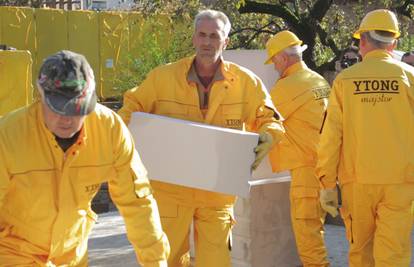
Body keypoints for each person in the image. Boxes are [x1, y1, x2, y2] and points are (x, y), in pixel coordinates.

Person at [118, 9, 285, 267]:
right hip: (171, 191)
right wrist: (125, 142)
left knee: (215, 262)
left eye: (214, 36)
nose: (207, 42)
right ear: (194, 38)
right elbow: (131, 107)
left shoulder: (245, 82)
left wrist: (268, 136)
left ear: (226, 41)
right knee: (164, 258)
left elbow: (270, 119)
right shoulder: (163, 78)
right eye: (202, 35)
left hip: (217, 192)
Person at [0, 50, 170, 266]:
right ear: (40, 95)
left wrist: (156, 262)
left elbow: (138, 202)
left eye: (77, 109)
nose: (67, 119)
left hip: (72, 254)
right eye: (58, 108)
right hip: (14, 251)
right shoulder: (7, 136)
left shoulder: (110, 130)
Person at [316, 9, 414, 267]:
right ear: (394, 43)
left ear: (362, 42)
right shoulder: (410, 78)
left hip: (357, 182)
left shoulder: (345, 81)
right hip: (400, 182)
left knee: (361, 251)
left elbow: (330, 136)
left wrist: (326, 182)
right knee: (393, 254)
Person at [265, 30, 330, 267]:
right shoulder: (317, 79)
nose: (273, 67)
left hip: (306, 169)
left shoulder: (287, 86)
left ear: (283, 59)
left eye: (274, 61)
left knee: (308, 235)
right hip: (323, 167)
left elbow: (261, 120)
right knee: (316, 230)